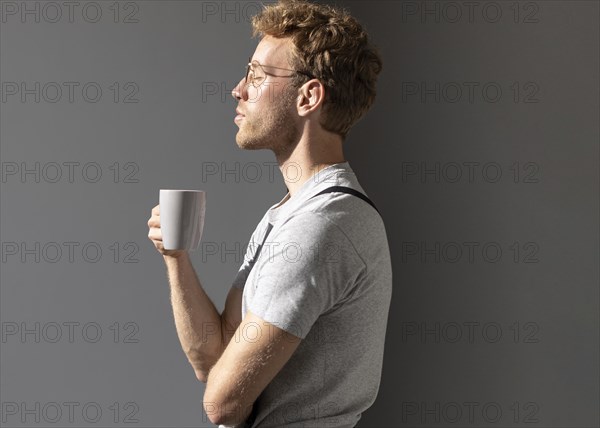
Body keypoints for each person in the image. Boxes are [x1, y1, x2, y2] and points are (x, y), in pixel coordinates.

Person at [147, 0, 392, 426]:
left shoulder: (322, 225)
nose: (238, 89)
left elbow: (220, 403)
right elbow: (213, 359)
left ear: (308, 96)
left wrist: (230, 388)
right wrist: (176, 259)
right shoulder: (288, 213)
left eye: (258, 75)